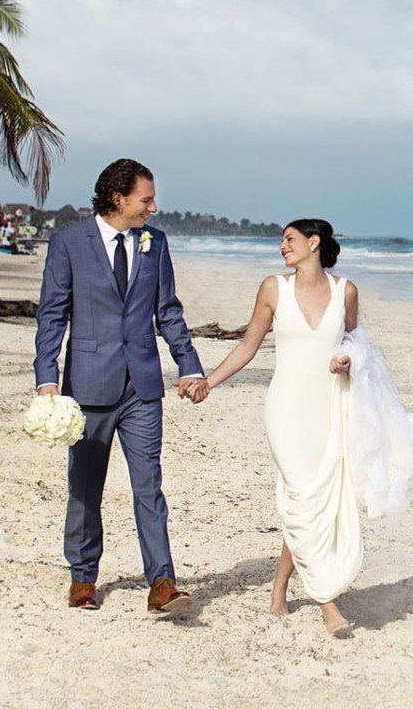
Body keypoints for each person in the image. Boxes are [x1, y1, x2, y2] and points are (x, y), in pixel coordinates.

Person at [33, 158, 207, 614]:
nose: (153, 208)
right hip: (88, 386)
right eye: (145, 199)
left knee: (149, 484)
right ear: (118, 199)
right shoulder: (68, 244)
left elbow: (167, 309)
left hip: (143, 387)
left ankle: (162, 582)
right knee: (85, 486)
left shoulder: (156, 243)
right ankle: (83, 578)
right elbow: (52, 313)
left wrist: (188, 365)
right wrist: (46, 378)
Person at [189, 219, 366, 637]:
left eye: (289, 239)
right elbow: (249, 345)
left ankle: (280, 587)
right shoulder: (274, 288)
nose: (282, 246)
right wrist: (208, 382)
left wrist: (348, 359)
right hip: (286, 408)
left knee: (309, 498)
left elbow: (359, 345)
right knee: (304, 492)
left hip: (330, 404)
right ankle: (328, 604)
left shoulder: (347, 291)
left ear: (313, 243)